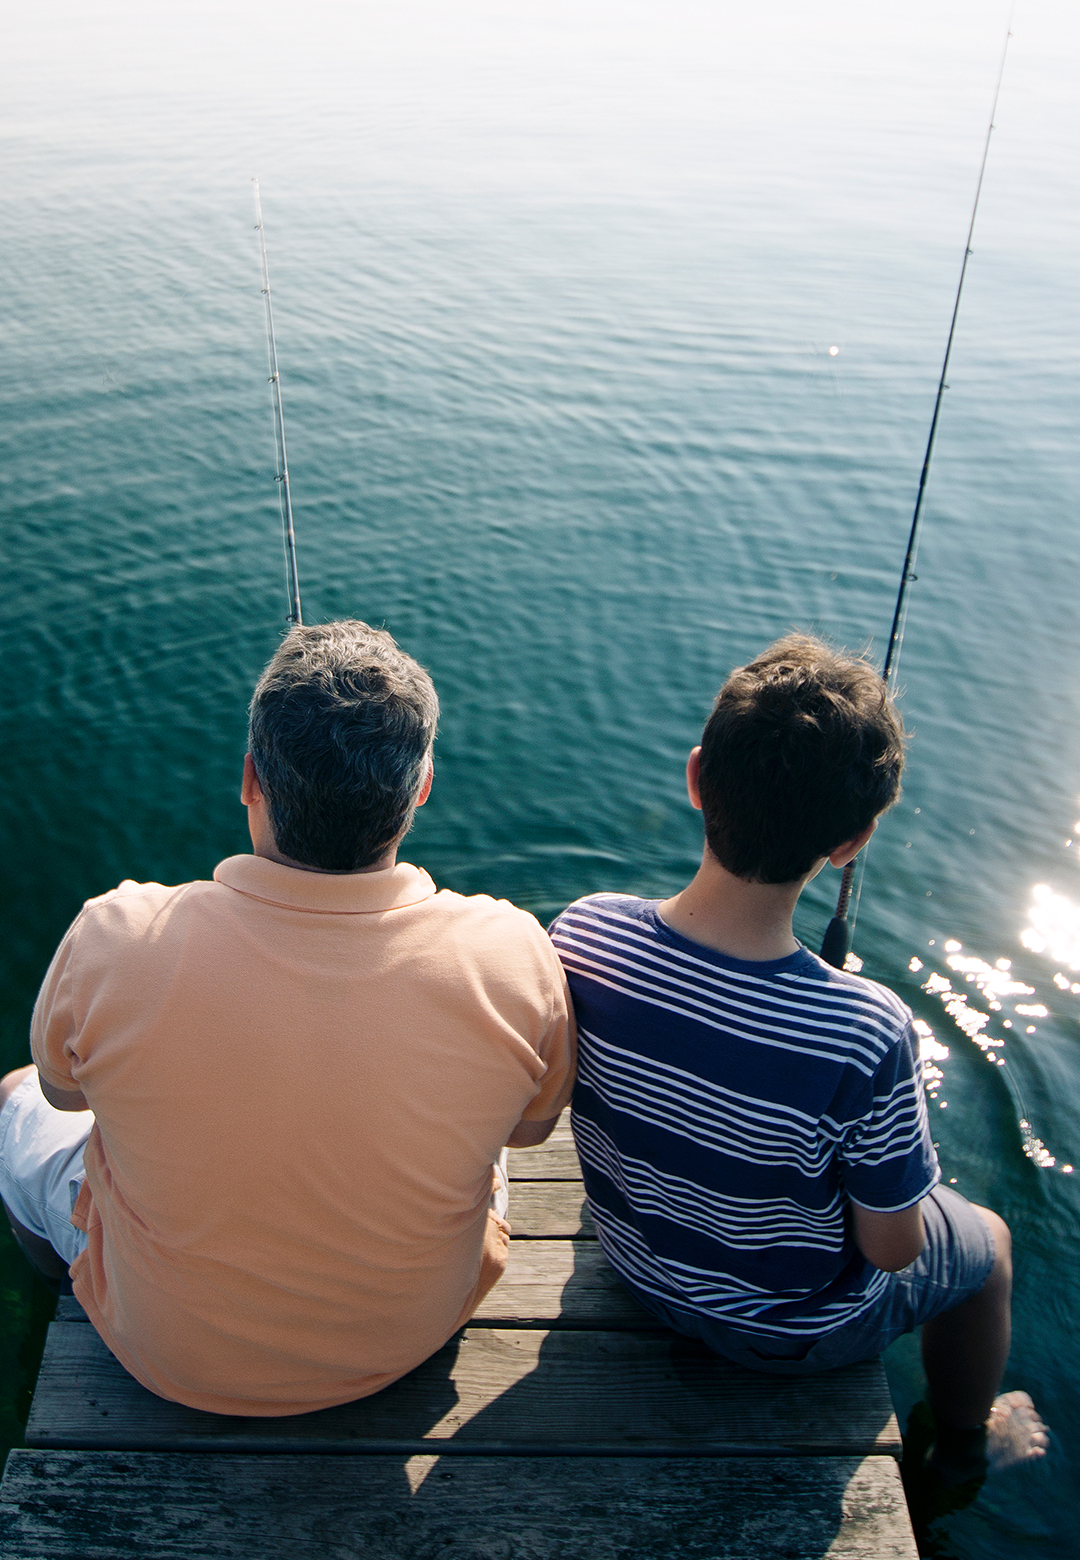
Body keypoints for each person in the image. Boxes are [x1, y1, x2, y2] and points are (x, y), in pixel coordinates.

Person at [0, 620, 574, 1416]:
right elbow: (530, 1135)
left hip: (168, 1357)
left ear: (248, 780)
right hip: (411, 1337)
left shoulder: (113, 936)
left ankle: (67, 1285)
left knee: (14, 1097)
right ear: (422, 788)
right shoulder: (514, 952)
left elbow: (65, 1098)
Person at [548, 633, 1046, 1488]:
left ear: (698, 777)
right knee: (990, 1247)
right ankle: (969, 1436)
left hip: (635, 1266)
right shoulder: (866, 1028)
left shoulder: (584, 932)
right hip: (785, 1336)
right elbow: (892, 1251)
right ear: (853, 841)